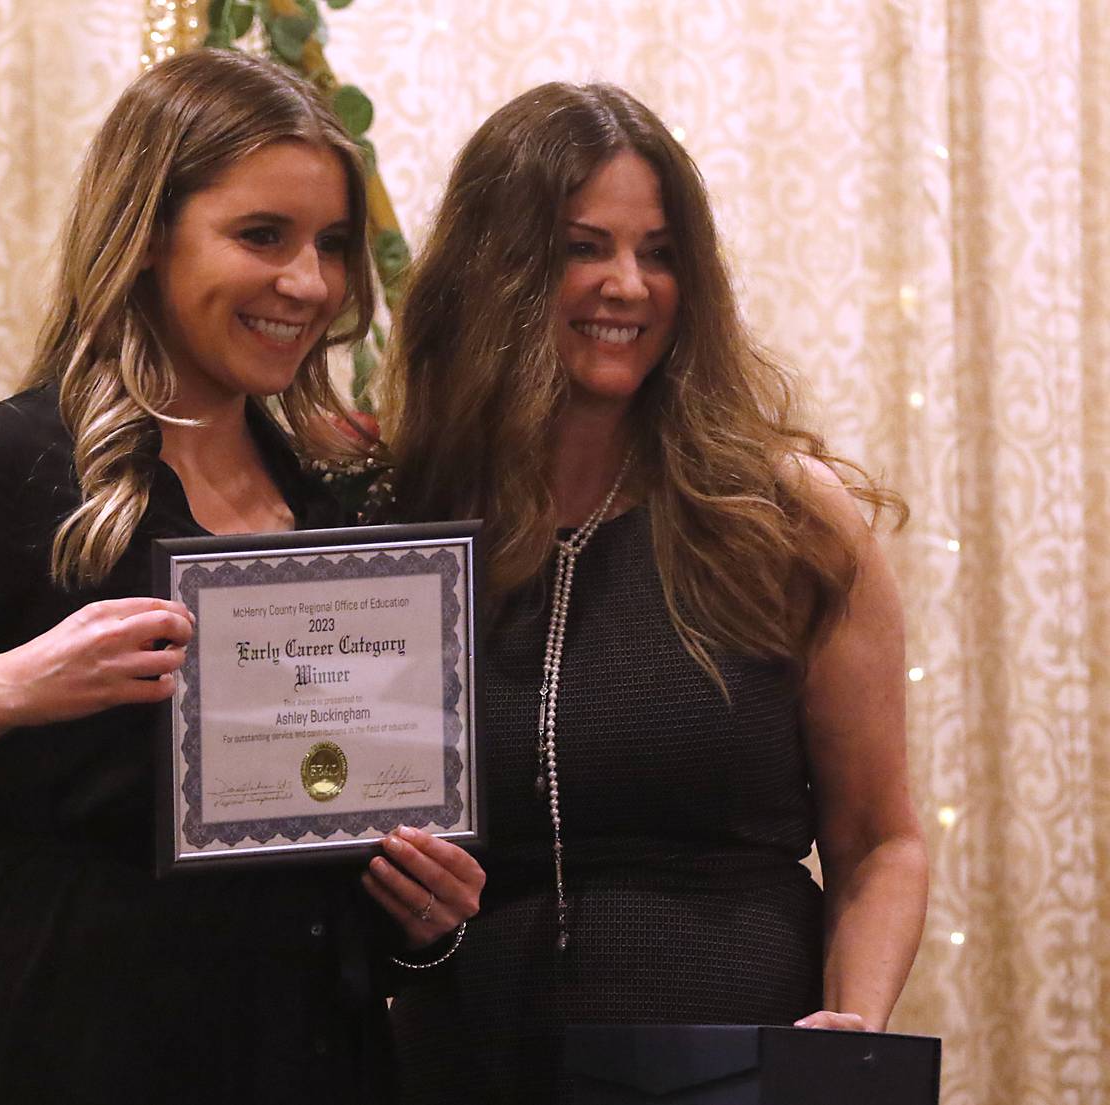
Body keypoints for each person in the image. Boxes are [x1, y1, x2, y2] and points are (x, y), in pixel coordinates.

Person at [0, 49, 482, 1105]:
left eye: (329, 245)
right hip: (76, 1051)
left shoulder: (342, 502)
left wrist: (422, 927)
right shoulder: (1, 468)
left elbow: (334, 867)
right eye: (261, 236)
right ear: (144, 238)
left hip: (315, 1060)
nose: (310, 283)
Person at [379, 81, 929, 1104]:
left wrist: (847, 1036)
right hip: (465, 1065)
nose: (627, 284)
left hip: (737, 1071)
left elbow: (881, 839)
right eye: (585, 246)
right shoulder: (398, 525)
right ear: (498, 267)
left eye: (660, 252)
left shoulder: (783, 516)